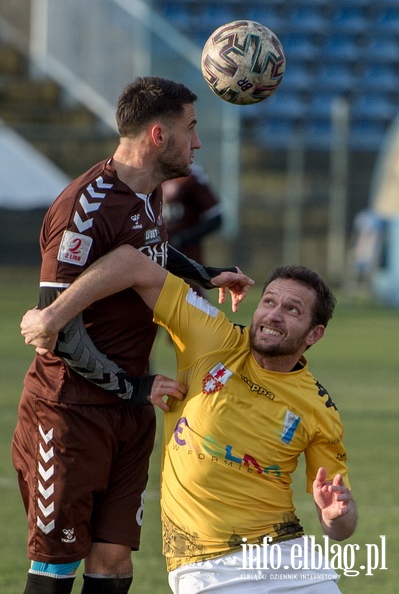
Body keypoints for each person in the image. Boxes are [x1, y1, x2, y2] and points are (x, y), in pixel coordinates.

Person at [12, 76, 253, 594]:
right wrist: (134, 388)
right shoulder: (86, 204)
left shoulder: (150, 192)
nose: (199, 142)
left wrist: (205, 275)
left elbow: (147, 252)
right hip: (69, 412)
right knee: (55, 570)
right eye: (192, 128)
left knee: (115, 562)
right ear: (158, 135)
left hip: (127, 410)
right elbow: (54, 325)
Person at [21, 245, 358, 594]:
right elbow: (130, 261)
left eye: (292, 310)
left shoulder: (319, 408)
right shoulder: (214, 337)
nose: (273, 315)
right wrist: (53, 316)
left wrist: (336, 516)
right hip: (209, 568)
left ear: (314, 334)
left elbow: (341, 527)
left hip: (293, 560)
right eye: (269, 302)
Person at [162, 164, 222, 294]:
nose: (196, 145)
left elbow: (216, 218)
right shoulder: (146, 172)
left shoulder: (192, 177)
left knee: (191, 304)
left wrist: (182, 239)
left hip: (187, 259)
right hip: (154, 260)